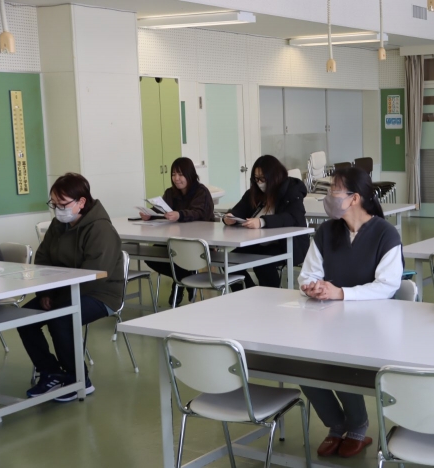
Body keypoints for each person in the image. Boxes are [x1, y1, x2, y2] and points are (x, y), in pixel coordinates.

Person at [297, 167, 403, 458]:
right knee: (300, 366)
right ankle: (336, 424)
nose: (329, 197)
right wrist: (313, 287)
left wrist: (341, 293)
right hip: (328, 319)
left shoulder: (385, 234)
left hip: (373, 325)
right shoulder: (327, 231)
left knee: (344, 361)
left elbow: (387, 286)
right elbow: (308, 273)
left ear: (354, 198)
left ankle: (357, 426)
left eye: (334, 191)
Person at [18, 173, 124, 402]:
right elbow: (43, 258)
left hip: (101, 294)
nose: (58, 210)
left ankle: (79, 380)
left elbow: (94, 276)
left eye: (63, 204)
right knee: (25, 318)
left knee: (61, 318)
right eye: (54, 204)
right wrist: (45, 293)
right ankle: (52, 372)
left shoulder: (100, 229)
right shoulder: (59, 224)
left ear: (81, 202)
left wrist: (59, 298)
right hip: (61, 290)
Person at [222, 155, 310, 288]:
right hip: (258, 243)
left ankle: (270, 295)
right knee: (229, 261)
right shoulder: (254, 192)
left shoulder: (292, 190)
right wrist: (230, 217)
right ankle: (248, 293)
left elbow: (292, 217)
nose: (259, 183)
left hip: (287, 244)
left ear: (274, 176)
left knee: (262, 263)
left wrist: (262, 222)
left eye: (262, 178)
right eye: (256, 178)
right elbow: (239, 210)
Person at [141, 157, 215, 306]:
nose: (176, 178)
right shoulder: (170, 192)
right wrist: (150, 214)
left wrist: (179, 214)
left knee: (179, 255)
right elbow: (161, 210)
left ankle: (180, 282)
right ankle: (184, 277)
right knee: (150, 256)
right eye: (174, 174)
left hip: (198, 242)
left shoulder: (201, 192)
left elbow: (198, 212)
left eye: (180, 174)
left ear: (190, 175)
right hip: (173, 241)